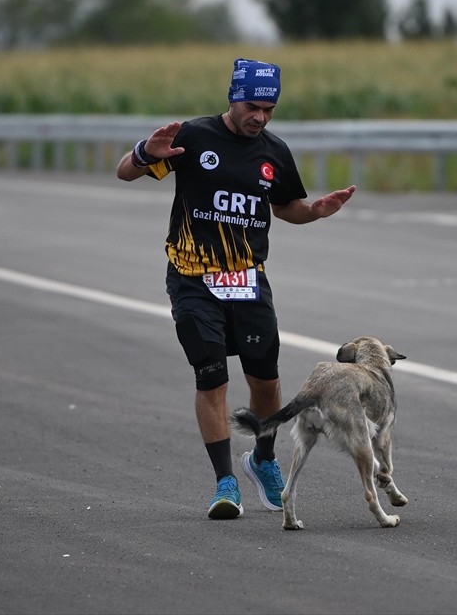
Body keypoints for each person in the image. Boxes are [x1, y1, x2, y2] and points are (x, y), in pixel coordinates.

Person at [116, 58, 356, 519]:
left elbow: (288, 206)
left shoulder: (274, 152)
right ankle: (225, 483)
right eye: (252, 106)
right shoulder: (192, 137)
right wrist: (146, 152)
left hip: (248, 279)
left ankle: (262, 461)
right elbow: (125, 172)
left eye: (269, 109)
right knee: (212, 378)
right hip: (193, 279)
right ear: (233, 96)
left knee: (266, 383)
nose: (260, 117)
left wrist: (316, 211)